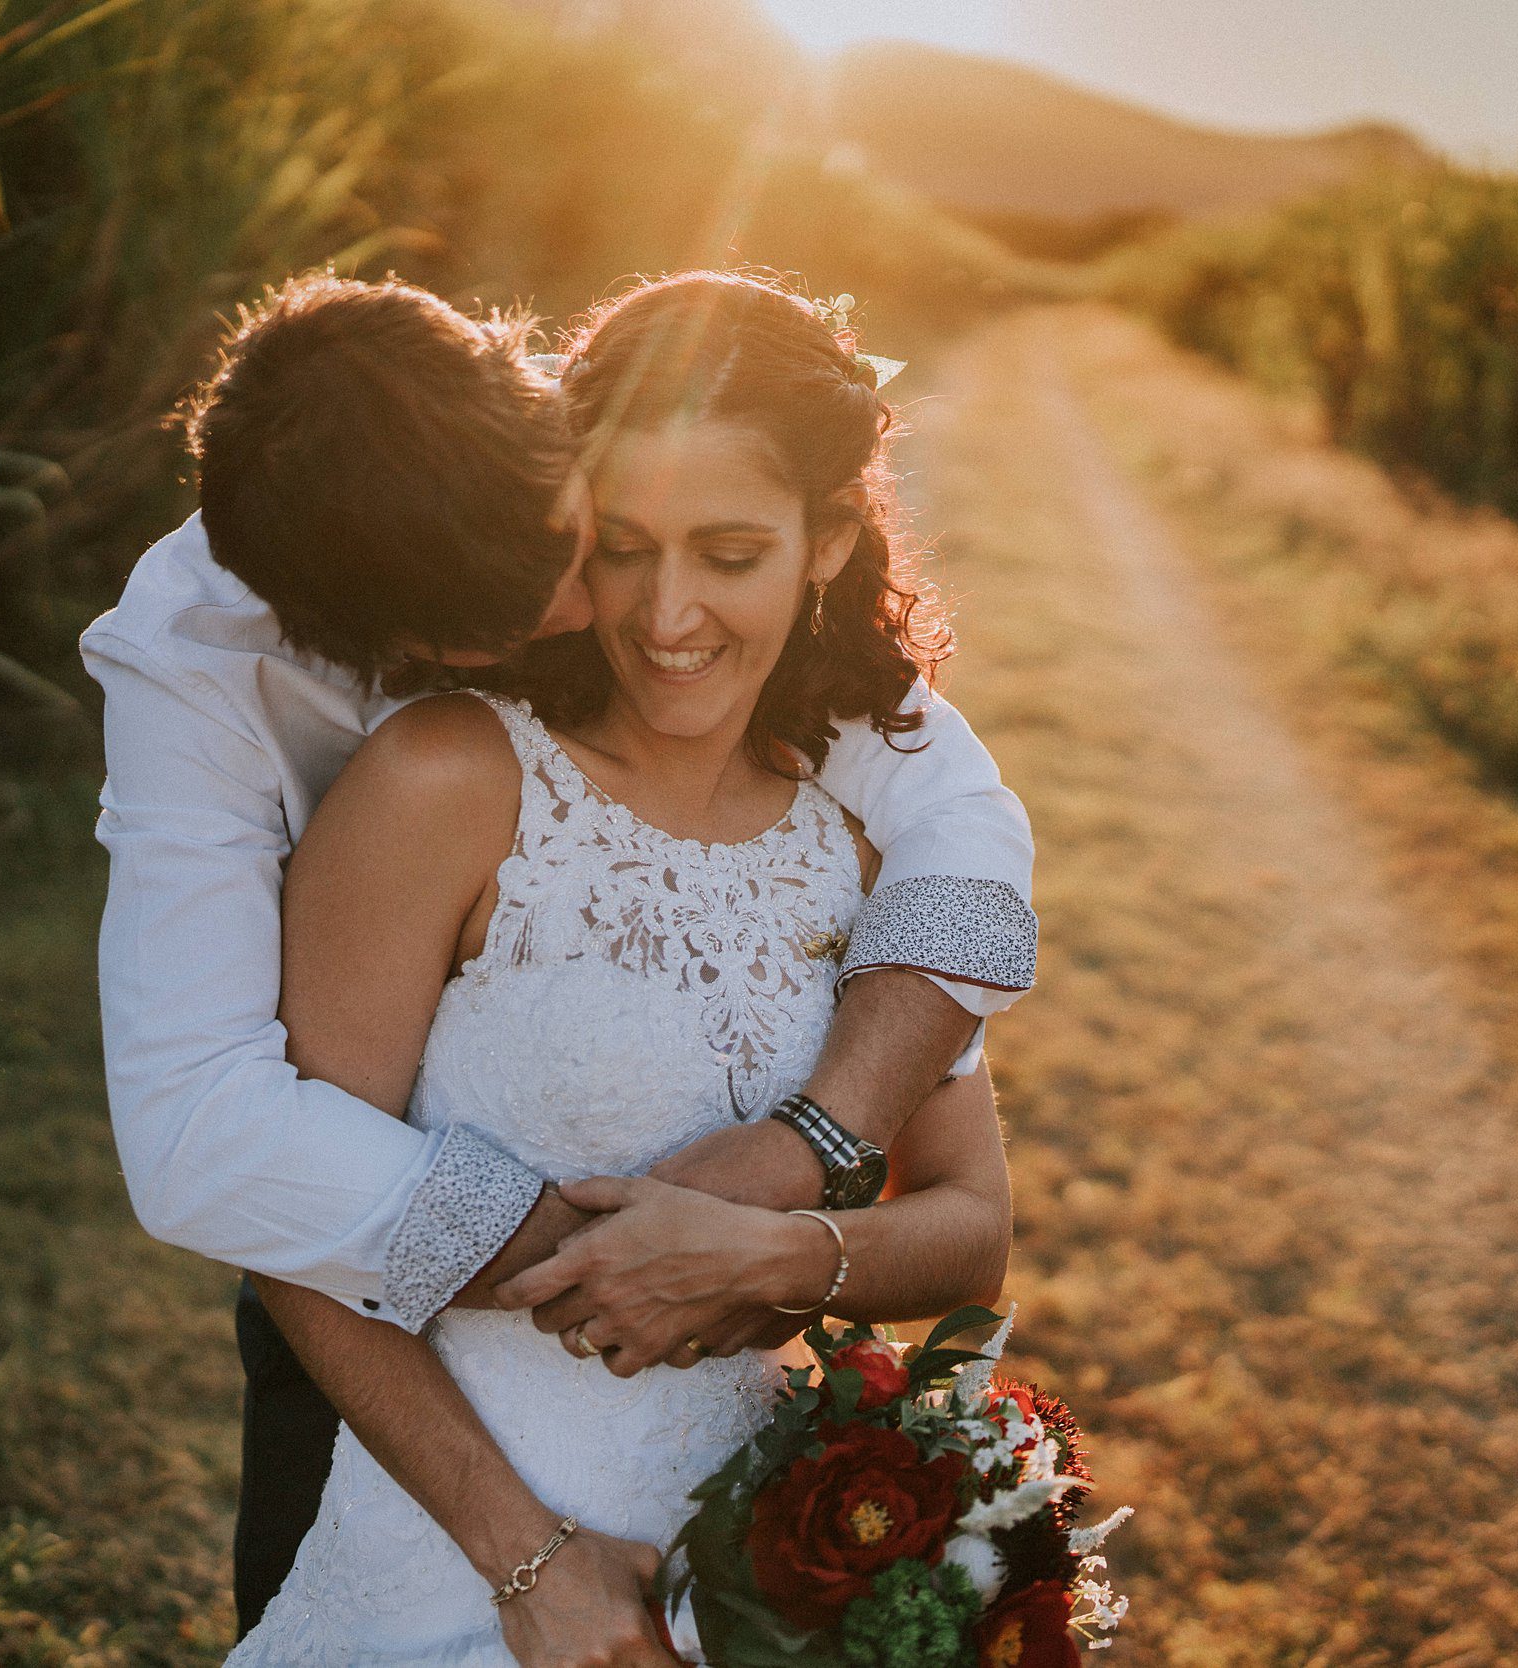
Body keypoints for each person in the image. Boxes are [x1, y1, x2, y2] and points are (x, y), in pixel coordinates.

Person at [79, 272, 1037, 1634]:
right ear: (398, 643)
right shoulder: (232, 680)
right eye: (605, 562)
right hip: (397, 1388)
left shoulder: (841, 768)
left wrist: (785, 1194)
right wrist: (624, 1268)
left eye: (582, 544)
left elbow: (968, 853)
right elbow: (215, 1143)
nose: (628, 618)